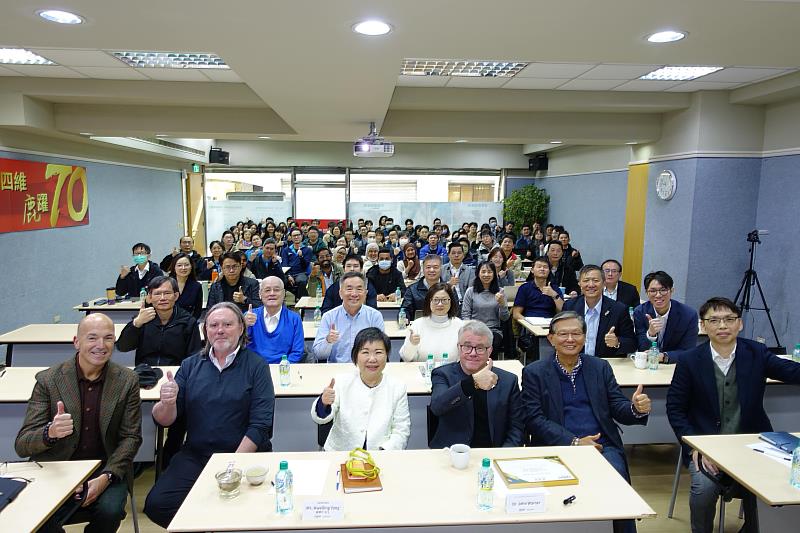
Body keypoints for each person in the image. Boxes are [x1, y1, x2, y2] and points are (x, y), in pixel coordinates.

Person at [666, 297, 800, 533]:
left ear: (740, 324)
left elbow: (791, 372)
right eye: (714, 321)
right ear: (703, 326)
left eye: (729, 319)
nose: (723, 326)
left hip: (753, 444)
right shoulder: (689, 361)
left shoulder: (756, 352)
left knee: (778, 489)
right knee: (704, 490)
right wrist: (695, 447)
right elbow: (675, 409)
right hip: (708, 446)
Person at [144, 302, 275, 528]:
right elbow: (164, 420)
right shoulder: (190, 365)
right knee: (158, 504)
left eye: (227, 324)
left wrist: (231, 465)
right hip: (197, 454)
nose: (220, 330)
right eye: (213, 325)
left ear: (241, 329)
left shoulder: (257, 366)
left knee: (248, 510)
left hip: (242, 455)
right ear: (206, 331)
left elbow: (261, 425)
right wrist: (166, 402)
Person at [521, 310, 650, 533]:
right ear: (551, 339)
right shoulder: (535, 372)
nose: (570, 339)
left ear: (585, 337)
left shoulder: (600, 367)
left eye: (576, 334)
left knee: (618, 487)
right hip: (555, 447)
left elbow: (617, 406)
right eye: (563, 334)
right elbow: (534, 419)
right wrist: (574, 442)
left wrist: (635, 408)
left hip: (602, 446)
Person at [15, 314, 142, 533]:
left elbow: (131, 437)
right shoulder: (48, 380)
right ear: (77, 342)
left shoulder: (127, 380)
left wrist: (106, 477)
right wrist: (50, 433)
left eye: (108, 338)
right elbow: (22, 445)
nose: (101, 346)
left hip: (105, 468)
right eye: (92, 338)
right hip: (57, 469)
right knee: (39, 520)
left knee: (110, 512)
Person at [116, 276, 200, 468]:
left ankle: (169, 456)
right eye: (157, 294)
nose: (162, 297)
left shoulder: (187, 322)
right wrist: (136, 323)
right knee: (132, 412)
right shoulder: (144, 319)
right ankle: (138, 457)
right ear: (150, 298)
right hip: (144, 376)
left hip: (175, 378)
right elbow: (122, 346)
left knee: (183, 410)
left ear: (176, 296)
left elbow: (194, 356)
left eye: (167, 293)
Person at [428, 320, 523, 448]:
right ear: (458, 348)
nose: (473, 353)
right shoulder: (442, 374)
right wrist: (473, 383)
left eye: (480, 348)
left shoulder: (508, 380)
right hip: (451, 454)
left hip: (494, 453)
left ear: (489, 351)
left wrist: (503, 454)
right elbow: (437, 407)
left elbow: (517, 428)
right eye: (467, 347)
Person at [311, 328, 410, 451]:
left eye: (378, 352)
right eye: (365, 352)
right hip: (342, 454)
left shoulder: (397, 387)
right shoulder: (341, 382)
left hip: (380, 456)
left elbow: (401, 430)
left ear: (387, 356)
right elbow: (321, 418)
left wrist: (384, 452)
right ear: (355, 356)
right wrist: (324, 403)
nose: (372, 359)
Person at [563, 265, 636, 358]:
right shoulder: (570, 306)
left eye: (596, 280)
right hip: (575, 362)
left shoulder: (618, 309)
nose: (591, 285)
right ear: (579, 284)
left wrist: (617, 342)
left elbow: (632, 343)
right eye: (586, 281)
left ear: (604, 283)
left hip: (605, 364)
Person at [313, 272, 385, 363]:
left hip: (367, 369)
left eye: (359, 289)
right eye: (349, 289)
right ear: (340, 293)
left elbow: (382, 351)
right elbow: (318, 354)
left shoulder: (374, 316)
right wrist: (328, 341)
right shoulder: (329, 317)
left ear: (366, 293)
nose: (354, 294)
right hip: (337, 370)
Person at [633, 271, 699, 364]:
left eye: (663, 290)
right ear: (646, 293)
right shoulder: (640, 312)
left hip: (676, 365)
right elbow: (642, 349)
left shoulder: (688, 314)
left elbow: (689, 351)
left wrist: (664, 357)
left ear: (672, 290)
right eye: (653, 291)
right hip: (649, 365)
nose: (658, 295)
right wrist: (650, 334)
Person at [244, 276, 305, 363]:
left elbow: (297, 352)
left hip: (284, 369)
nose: (272, 293)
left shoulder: (294, 319)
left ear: (284, 293)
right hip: (254, 369)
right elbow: (239, 347)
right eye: (267, 290)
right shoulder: (249, 316)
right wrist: (244, 326)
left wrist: (284, 367)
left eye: (276, 290)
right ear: (260, 294)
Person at [400, 282, 464, 362]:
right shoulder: (417, 324)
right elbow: (406, 358)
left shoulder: (460, 326)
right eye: (436, 300)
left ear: (451, 302)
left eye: (444, 300)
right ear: (429, 301)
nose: (440, 304)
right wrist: (411, 344)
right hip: (421, 372)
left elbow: (463, 359)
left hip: (450, 373)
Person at [461, 262, 509, 355]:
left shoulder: (500, 292)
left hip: (493, 330)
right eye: (483, 271)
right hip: (473, 329)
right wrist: (471, 330)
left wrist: (502, 304)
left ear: (494, 274)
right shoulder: (470, 291)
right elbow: (465, 314)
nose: (486, 274)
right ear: (478, 273)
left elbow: (505, 318)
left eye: (489, 272)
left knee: (491, 345)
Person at [402, 254, 443, 320]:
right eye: (428, 267)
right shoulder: (412, 289)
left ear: (441, 269)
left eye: (435, 267)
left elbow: (455, 312)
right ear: (423, 269)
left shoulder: (449, 289)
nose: (431, 270)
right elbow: (404, 311)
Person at [168, 253, 203, 319]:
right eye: (179, 265)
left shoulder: (196, 286)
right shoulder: (166, 284)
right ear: (174, 267)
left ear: (191, 266)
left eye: (186, 265)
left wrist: (190, 324)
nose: (183, 268)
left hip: (187, 323)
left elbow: (198, 311)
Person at [281, 228, 312, 297]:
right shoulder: (286, 250)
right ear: (291, 237)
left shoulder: (307, 250)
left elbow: (305, 265)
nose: (296, 237)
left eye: (298, 235)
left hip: (301, 273)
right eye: (294, 235)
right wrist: (288, 275)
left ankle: (302, 303)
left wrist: (301, 257)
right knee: (281, 281)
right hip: (289, 273)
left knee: (301, 281)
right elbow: (284, 264)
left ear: (302, 236)